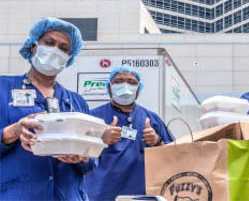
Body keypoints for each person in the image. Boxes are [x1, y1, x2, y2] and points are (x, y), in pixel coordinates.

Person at [0, 17, 95, 200]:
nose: (55, 51)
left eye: (63, 48)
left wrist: (83, 157)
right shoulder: (3, 88)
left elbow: (93, 162)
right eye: (49, 43)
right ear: (34, 46)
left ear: (69, 58)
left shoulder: (76, 102)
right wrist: (13, 132)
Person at [85, 66, 173, 201]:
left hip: (143, 195)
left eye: (131, 82)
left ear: (139, 88)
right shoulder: (93, 117)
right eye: (118, 81)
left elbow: (173, 155)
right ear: (109, 87)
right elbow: (76, 154)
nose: (125, 86)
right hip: (102, 194)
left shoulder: (152, 119)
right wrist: (100, 138)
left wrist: (157, 141)